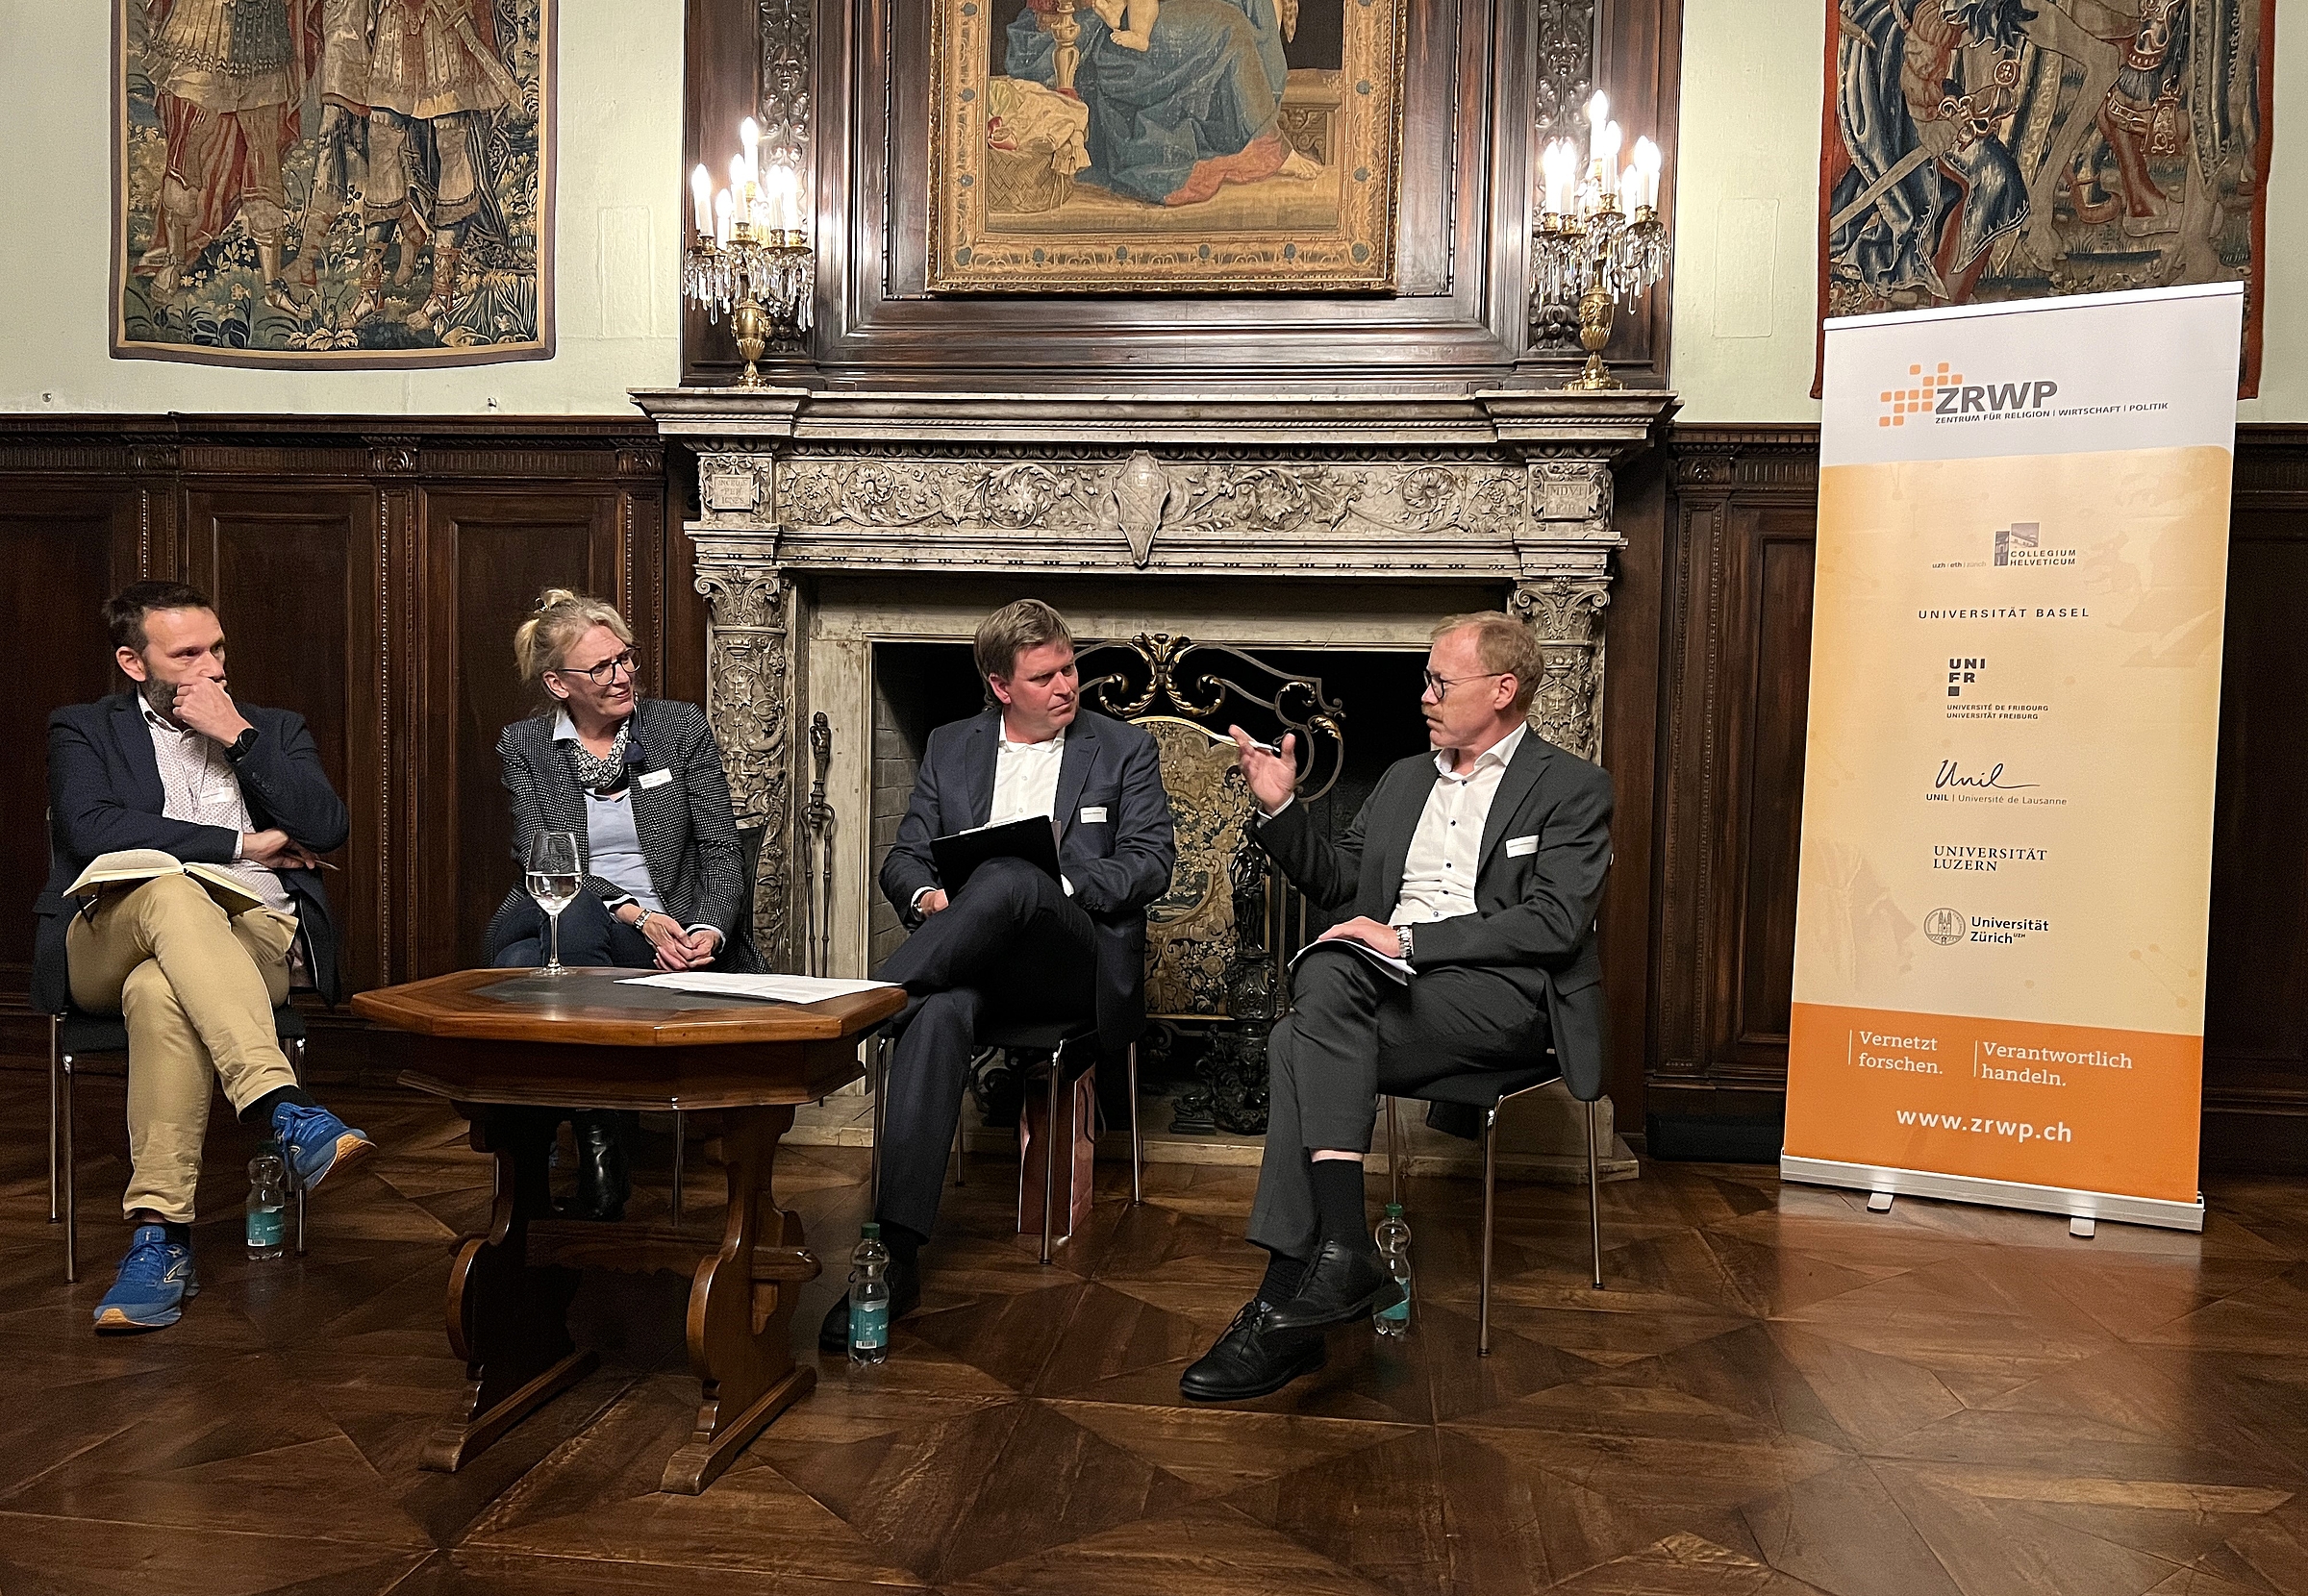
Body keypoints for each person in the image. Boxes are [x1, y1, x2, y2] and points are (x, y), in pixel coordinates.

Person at [1179, 611, 1613, 1402]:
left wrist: (1409, 941)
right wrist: (1280, 810)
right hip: (1390, 988)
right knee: (1308, 1020)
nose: (1424, 696)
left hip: (1501, 997)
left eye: (1441, 682)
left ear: (1503, 690)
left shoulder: (1572, 787)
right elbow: (1339, 883)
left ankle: (1303, 1288)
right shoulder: (1406, 779)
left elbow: (1554, 923)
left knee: (1305, 1024)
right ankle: (1313, 1289)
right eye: (1425, 680)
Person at [819, 599, 1176, 1353]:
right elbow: (906, 857)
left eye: (1069, 668)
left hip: (1069, 961)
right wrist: (930, 898)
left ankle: (859, 1009)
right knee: (939, 1012)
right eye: (1045, 677)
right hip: (972, 959)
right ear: (1001, 686)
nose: (1066, 686)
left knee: (1012, 876)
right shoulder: (953, 745)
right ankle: (894, 1255)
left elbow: (1151, 863)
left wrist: (1060, 885)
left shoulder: (1123, 748)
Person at [38, 581, 371, 1334]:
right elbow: (92, 829)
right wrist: (240, 845)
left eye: (217, 648)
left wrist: (238, 736)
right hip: (110, 934)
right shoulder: (83, 728)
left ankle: (159, 1240)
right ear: (134, 663)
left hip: (250, 936)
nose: (213, 667)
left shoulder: (272, 728)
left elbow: (326, 826)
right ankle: (282, 1107)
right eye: (187, 654)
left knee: (162, 993)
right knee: (170, 890)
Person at [482, 589, 760, 1220]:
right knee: (574, 906)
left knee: (521, 966)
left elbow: (722, 848)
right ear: (558, 684)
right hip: (569, 912)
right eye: (602, 667)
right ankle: (601, 1137)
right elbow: (545, 862)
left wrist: (707, 931)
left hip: (655, 939)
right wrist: (638, 913)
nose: (622, 675)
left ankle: (529, 1180)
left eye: (626, 658)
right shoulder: (525, 745)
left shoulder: (677, 728)